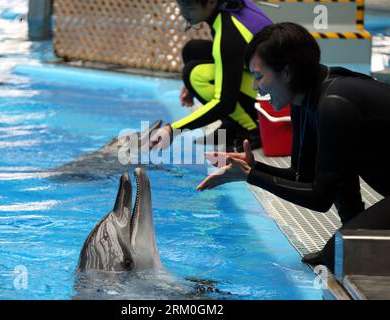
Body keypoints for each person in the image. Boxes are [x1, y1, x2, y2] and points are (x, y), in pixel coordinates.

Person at [196, 22, 390, 272]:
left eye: (258, 76)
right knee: (342, 249)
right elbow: (304, 176)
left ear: (287, 73)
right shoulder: (304, 98)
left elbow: (320, 197)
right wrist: (253, 167)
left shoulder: (334, 104)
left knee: (340, 255)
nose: (255, 87)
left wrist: (250, 176)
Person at [150, 0, 272, 151]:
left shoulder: (229, 32)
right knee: (192, 50)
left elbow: (225, 103)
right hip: (263, 78)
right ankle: (231, 124)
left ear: (211, 3)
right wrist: (189, 87)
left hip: (274, 100)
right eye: (181, 5)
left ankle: (251, 130)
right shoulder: (229, 6)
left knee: (195, 75)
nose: (183, 12)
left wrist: (172, 129)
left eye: (189, 6)